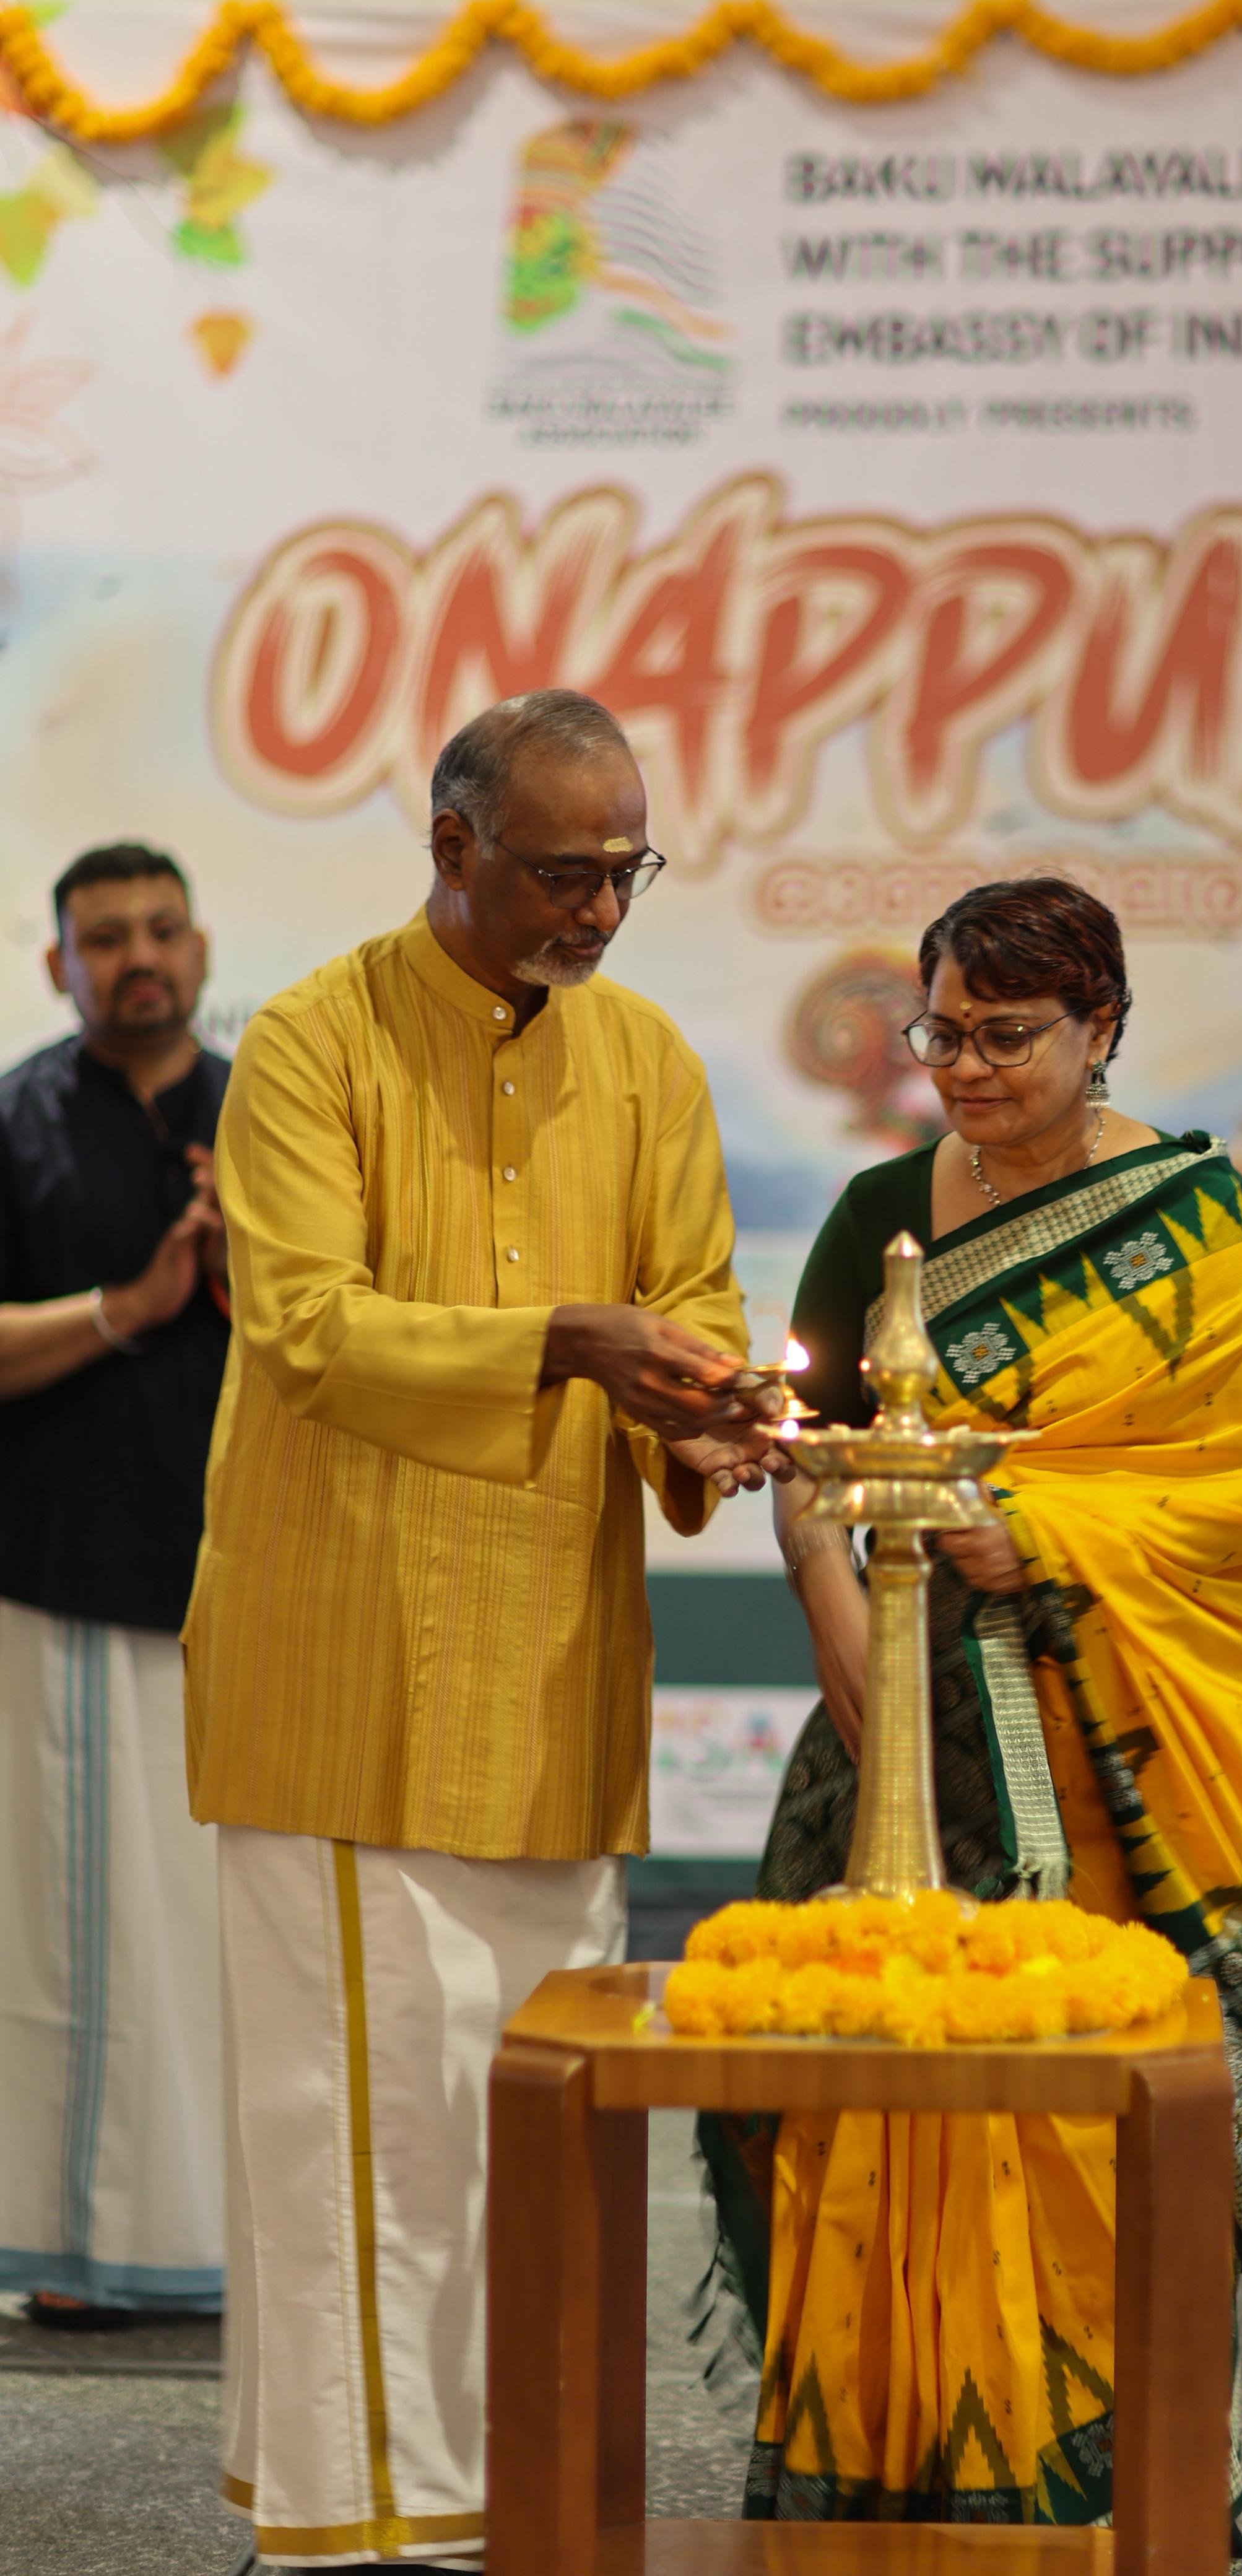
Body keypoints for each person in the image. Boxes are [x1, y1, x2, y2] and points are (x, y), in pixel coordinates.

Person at [185, 690, 789, 2572]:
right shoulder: (312, 1042)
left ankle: (500, 2503)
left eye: (626, 872)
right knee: (359, 2133)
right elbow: (304, 1326)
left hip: (550, 1664)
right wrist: (570, 1343)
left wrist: (699, 1414)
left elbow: (693, 1296)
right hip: (343, 1661)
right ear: (451, 849)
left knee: (528, 2119)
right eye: (562, 873)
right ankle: (363, 2529)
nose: (599, 910)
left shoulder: (650, 1059)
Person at [698, 876, 1242, 2557]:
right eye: (941, 1034)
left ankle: (1104, 2500)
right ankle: (886, 2474)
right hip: (902, 1728)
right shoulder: (876, 1215)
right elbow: (808, 1458)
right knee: (860, 2081)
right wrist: (838, 1616)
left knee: (1094, 2109)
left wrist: (1037, 1529)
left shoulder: (1196, 1224)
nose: (963, 1068)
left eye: (1005, 1037)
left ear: (1099, 1026)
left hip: (1117, 1738)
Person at [0, 842, 228, 2330]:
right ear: (58, 965)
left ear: (198, 948)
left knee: (224, 1932)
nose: (137, 957)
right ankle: (79, 2246)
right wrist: (130, 1308)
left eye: (159, 930)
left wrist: (252, 1266)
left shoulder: (272, 1114)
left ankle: (229, 2240)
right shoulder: (16, 1121)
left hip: (250, 1587)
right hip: (62, 1584)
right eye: (105, 939)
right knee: (77, 1935)